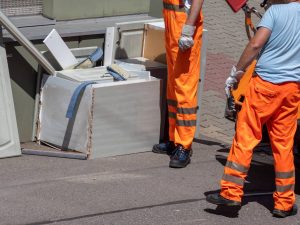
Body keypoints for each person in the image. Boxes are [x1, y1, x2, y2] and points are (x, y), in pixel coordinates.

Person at [206, 0, 300, 218]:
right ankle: (284, 203)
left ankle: (231, 194)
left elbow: (256, 44)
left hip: (265, 86)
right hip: (292, 90)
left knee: (246, 138)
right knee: (283, 145)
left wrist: (236, 72)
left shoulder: (275, 12)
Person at [152, 0, 204, 168]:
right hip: (173, 27)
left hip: (183, 28)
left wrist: (188, 30)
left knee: (184, 88)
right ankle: (174, 140)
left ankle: (184, 145)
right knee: (174, 87)